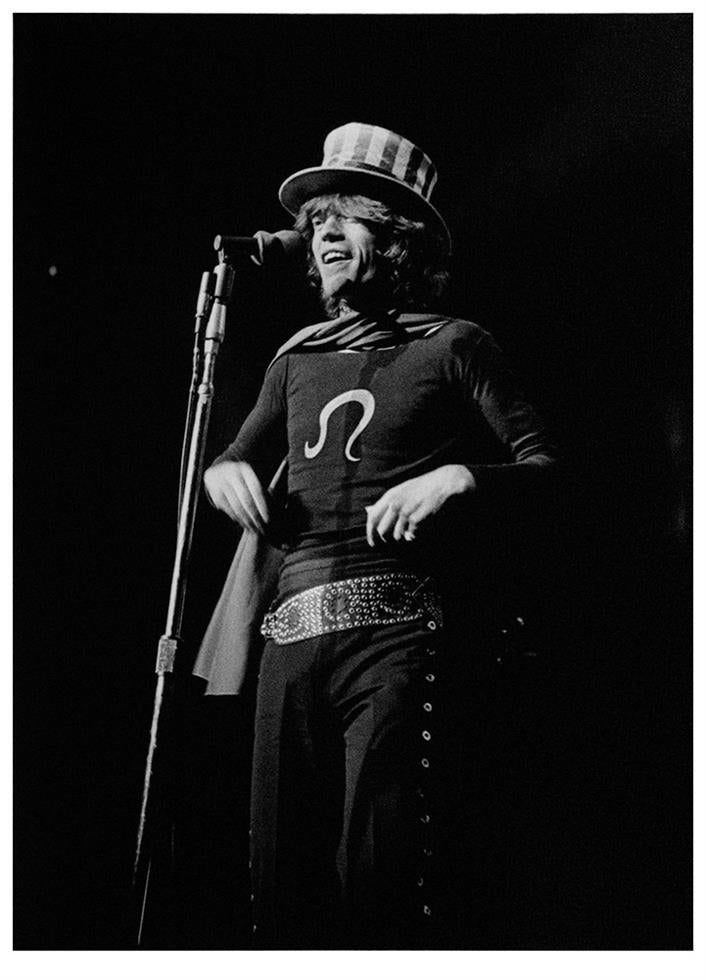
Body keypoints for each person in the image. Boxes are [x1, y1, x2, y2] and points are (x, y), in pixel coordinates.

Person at [197, 122, 557, 949]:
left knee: (381, 872)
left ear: (396, 241)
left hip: (397, 637)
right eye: (316, 218)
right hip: (287, 636)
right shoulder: (296, 360)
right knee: (276, 884)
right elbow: (231, 459)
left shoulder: (455, 344)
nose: (321, 232)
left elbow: (546, 471)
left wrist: (460, 477)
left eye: (344, 215)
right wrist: (223, 477)